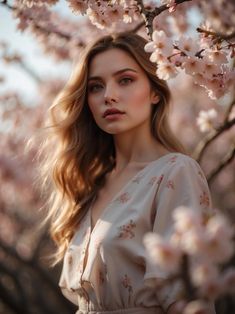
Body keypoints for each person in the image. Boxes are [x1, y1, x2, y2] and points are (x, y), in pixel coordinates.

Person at [41, 32, 214, 314]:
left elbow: (188, 301)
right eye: (96, 87)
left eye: (125, 80)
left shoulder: (176, 173)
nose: (108, 95)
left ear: (155, 91)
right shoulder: (92, 184)